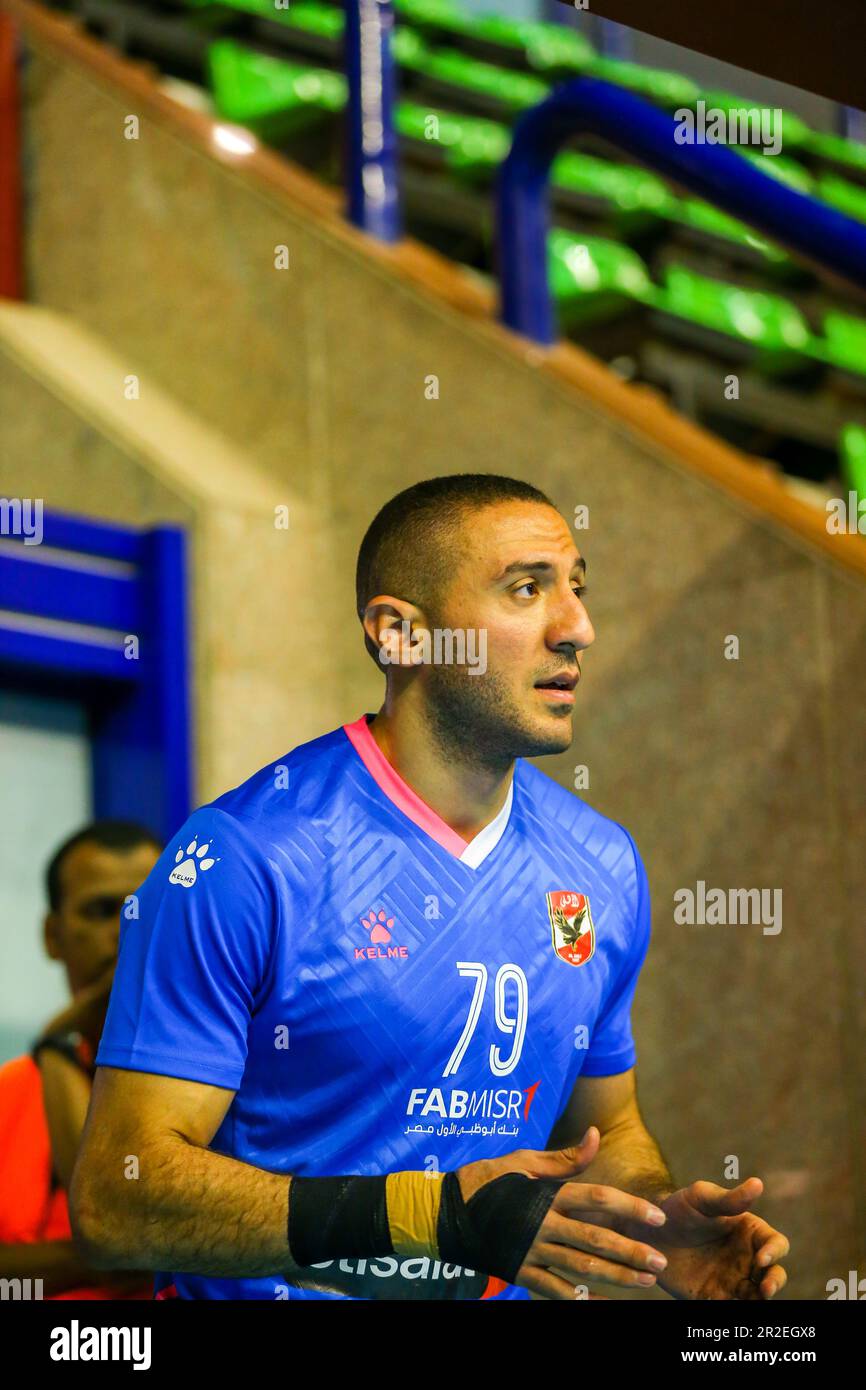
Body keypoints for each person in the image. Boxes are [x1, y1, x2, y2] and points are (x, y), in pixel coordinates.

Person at [71, 474, 790, 1301]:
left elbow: (605, 1128)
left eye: (578, 589)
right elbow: (116, 1202)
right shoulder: (248, 855)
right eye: (528, 590)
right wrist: (430, 1213)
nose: (578, 628)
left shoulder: (602, 862)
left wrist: (656, 1224)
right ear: (400, 635)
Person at [0, 821, 160, 1299]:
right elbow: (124, 1249)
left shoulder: (215, 1084)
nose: (125, 928)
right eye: (101, 910)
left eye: (143, 907)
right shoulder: (8, 1093)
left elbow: (136, 1244)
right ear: (53, 935)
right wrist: (97, 1260)